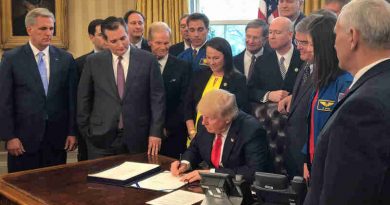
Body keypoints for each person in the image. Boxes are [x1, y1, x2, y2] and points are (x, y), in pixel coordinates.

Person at [304, 0, 390, 204]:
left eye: (336, 34)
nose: (333, 43)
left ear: (352, 37)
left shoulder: (364, 108)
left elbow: (346, 194)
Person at [0, 8, 78, 172]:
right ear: (29, 29)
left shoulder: (65, 59)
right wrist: (9, 137)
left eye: (51, 28)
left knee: (55, 189)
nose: (48, 33)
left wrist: (72, 132)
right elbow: (4, 101)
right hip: (22, 140)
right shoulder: (11, 58)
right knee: (22, 190)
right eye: (43, 28)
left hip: (57, 139)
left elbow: (71, 99)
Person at [77, 17, 165, 159]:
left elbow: (157, 100)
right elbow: (84, 98)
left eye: (123, 38)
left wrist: (155, 133)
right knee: (101, 180)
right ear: (105, 42)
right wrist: (86, 131)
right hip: (100, 137)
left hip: (138, 136)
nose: (120, 44)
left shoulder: (148, 60)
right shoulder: (93, 62)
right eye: (114, 41)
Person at [171, 89, 270, 183]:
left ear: (227, 118)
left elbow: (254, 172)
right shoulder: (205, 122)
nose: (203, 122)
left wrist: (212, 174)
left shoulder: (251, 130)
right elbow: (195, 148)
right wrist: (185, 163)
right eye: (203, 116)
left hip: (242, 189)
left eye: (210, 118)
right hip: (213, 187)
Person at [302, 15, 353, 182]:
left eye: (311, 44)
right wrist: (306, 159)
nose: (307, 49)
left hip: (332, 169)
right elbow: (313, 126)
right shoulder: (321, 81)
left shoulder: (345, 82)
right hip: (313, 165)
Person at [184, 37, 250, 145]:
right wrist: (192, 131)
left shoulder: (237, 79)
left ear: (226, 57)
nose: (211, 62)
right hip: (195, 136)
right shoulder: (199, 75)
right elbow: (188, 105)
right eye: (208, 57)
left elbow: (240, 112)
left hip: (222, 138)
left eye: (216, 58)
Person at [277, 15, 318, 178]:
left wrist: (308, 159)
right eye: (298, 41)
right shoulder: (307, 64)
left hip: (308, 154)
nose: (299, 47)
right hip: (294, 149)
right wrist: (294, 96)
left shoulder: (329, 73)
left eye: (305, 43)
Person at [148, 22, 191, 159]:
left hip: (174, 133)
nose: (163, 47)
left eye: (166, 43)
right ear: (149, 42)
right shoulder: (141, 64)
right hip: (145, 132)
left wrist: (167, 128)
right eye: (158, 43)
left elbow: (184, 101)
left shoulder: (182, 67)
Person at [248, 17, 303, 104]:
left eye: (277, 32)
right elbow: (250, 91)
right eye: (270, 32)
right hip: (270, 114)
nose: (272, 37)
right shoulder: (261, 61)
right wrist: (268, 95)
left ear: (290, 34)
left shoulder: (303, 57)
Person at [74, 19, 106, 161]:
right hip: (89, 129)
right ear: (91, 37)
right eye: (100, 34)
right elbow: (78, 99)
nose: (105, 38)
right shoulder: (79, 63)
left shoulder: (120, 61)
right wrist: (84, 129)